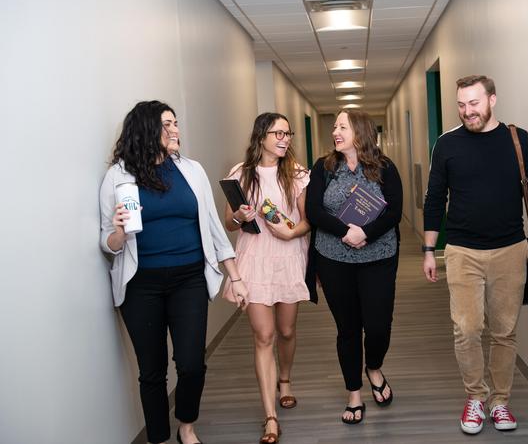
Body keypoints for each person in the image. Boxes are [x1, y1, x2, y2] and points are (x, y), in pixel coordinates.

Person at [99, 100, 248, 444]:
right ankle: (157, 437)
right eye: (169, 124)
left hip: (189, 279)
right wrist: (120, 232)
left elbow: (213, 227)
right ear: (148, 129)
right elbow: (107, 241)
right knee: (152, 371)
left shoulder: (191, 170)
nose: (177, 130)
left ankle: (186, 426)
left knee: (192, 363)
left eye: (177, 123)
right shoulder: (119, 176)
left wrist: (235, 277)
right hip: (141, 286)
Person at [422, 75, 528, 435]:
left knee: (504, 331)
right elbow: (434, 199)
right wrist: (430, 249)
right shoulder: (446, 144)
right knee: (467, 328)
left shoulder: (517, 139)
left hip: (510, 250)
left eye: (474, 103)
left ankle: (500, 402)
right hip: (462, 250)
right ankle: (476, 398)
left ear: (492, 99)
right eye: (461, 105)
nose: (467, 112)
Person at [305, 109, 403, 425]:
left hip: (378, 257)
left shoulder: (385, 168)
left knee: (377, 326)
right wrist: (345, 232)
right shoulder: (324, 168)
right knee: (347, 329)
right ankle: (354, 393)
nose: (335, 131)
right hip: (334, 259)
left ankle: (373, 366)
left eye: (342, 126)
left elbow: (394, 212)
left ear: (359, 131)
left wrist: (366, 233)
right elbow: (313, 211)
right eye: (334, 126)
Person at [223, 112, 311, 444]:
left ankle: (284, 379)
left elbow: (307, 221)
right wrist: (238, 215)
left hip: (288, 258)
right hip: (254, 260)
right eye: (278, 133)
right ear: (261, 137)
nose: (285, 139)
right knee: (265, 335)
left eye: (288, 133)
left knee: (287, 330)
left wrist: (291, 235)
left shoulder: (299, 174)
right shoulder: (240, 174)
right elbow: (230, 224)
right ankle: (270, 416)